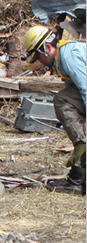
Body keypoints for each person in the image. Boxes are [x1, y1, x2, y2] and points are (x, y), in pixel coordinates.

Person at [22, 25, 85, 193]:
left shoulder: (68, 56)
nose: (39, 61)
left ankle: (80, 170)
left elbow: (86, 88)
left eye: (39, 56)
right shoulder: (62, 58)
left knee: (62, 100)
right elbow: (77, 90)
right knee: (65, 98)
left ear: (48, 48)